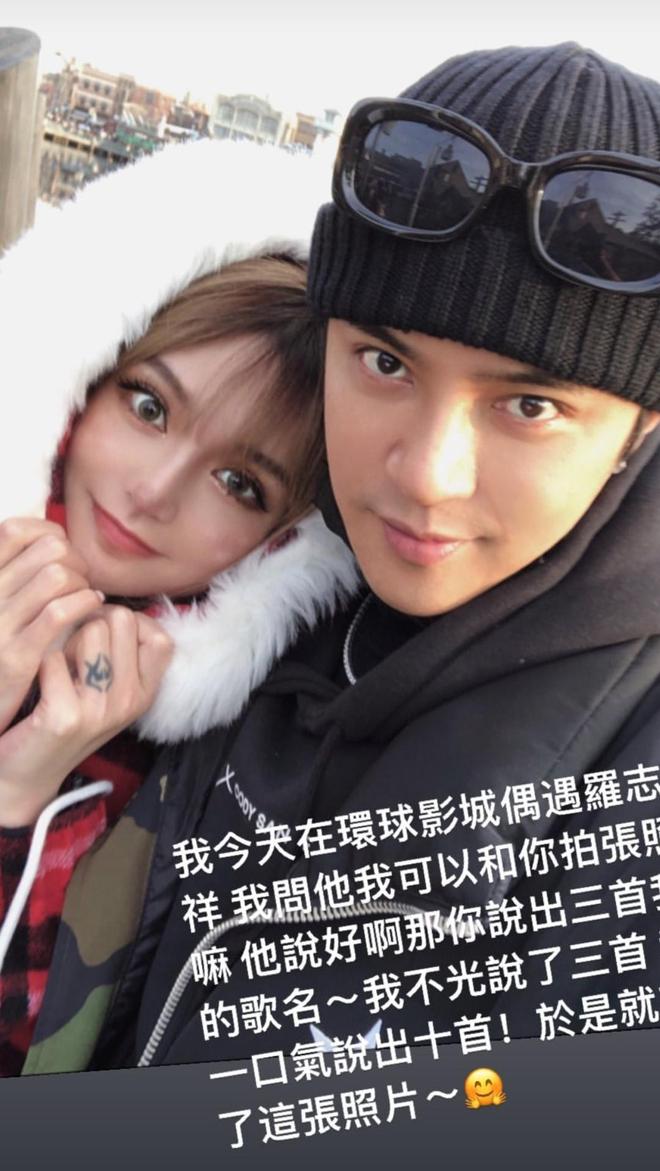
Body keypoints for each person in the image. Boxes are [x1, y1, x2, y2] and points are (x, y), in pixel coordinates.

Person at [16, 42, 660, 1077]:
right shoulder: (254, 614)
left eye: (531, 405)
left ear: (639, 428)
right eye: (385, 360)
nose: (426, 476)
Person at [0, 138, 357, 1075]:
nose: (154, 492)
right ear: (87, 367)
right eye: (149, 406)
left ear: (281, 547)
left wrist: (20, 795)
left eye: (240, 484)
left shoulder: (197, 763)